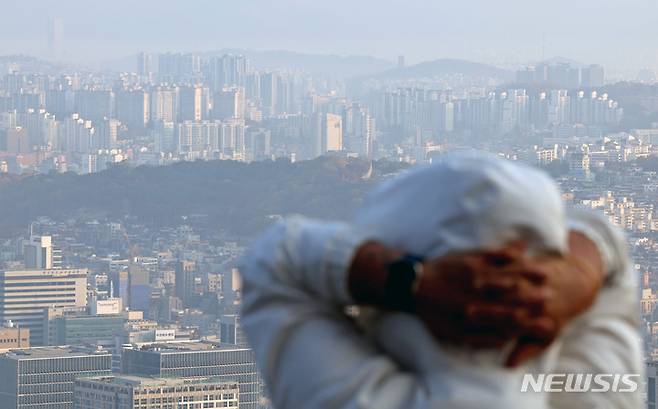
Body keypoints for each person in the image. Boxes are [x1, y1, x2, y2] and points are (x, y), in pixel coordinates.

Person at [239, 153, 642, 409]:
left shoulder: (347, 398)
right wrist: (577, 272)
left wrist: (407, 280)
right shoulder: (600, 394)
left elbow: (275, 260)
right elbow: (607, 248)